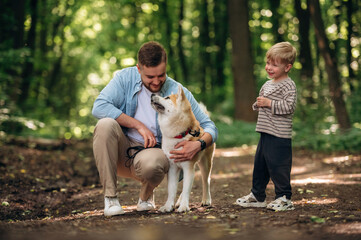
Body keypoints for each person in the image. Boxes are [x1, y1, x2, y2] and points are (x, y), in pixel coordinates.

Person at [92, 41, 218, 216]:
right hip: (121, 151)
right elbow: (98, 107)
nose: (156, 81)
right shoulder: (124, 78)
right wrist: (138, 125)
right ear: (139, 69)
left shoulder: (177, 91)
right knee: (105, 124)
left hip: (149, 158)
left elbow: (210, 126)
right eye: (150, 77)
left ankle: (146, 197)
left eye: (161, 75)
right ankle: (111, 199)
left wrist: (199, 145)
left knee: (156, 161)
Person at [236, 42, 297, 211]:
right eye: (268, 63)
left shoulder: (288, 85)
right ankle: (257, 195)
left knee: (279, 167)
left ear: (287, 67)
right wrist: (258, 104)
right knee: (260, 165)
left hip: (279, 134)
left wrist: (269, 103)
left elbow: (289, 107)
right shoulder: (268, 84)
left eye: (274, 65)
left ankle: (284, 197)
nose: (269, 67)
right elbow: (262, 103)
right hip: (265, 132)